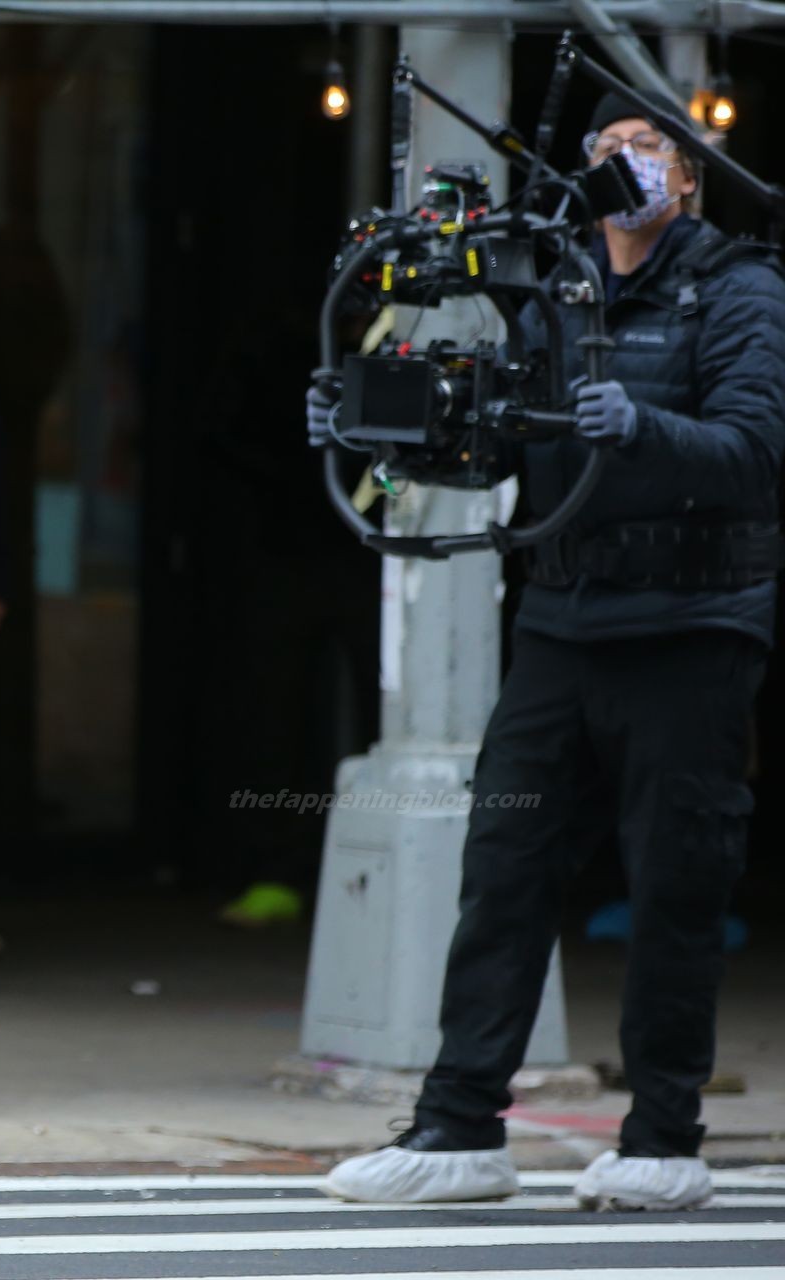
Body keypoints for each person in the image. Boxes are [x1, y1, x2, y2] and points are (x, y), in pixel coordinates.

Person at [313, 93, 785, 1211]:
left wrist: (646, 426)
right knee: (504, 870)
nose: (623, 164)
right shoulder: (557, 286)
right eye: (606, 148)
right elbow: (497, 443)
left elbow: (756, 449)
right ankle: (458, 1128)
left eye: (648, 147)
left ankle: (663, 1138)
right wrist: (372, 427)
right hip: (562, 621)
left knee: (675, 882)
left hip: (690, 625)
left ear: (690, 173)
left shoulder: (740, 287)